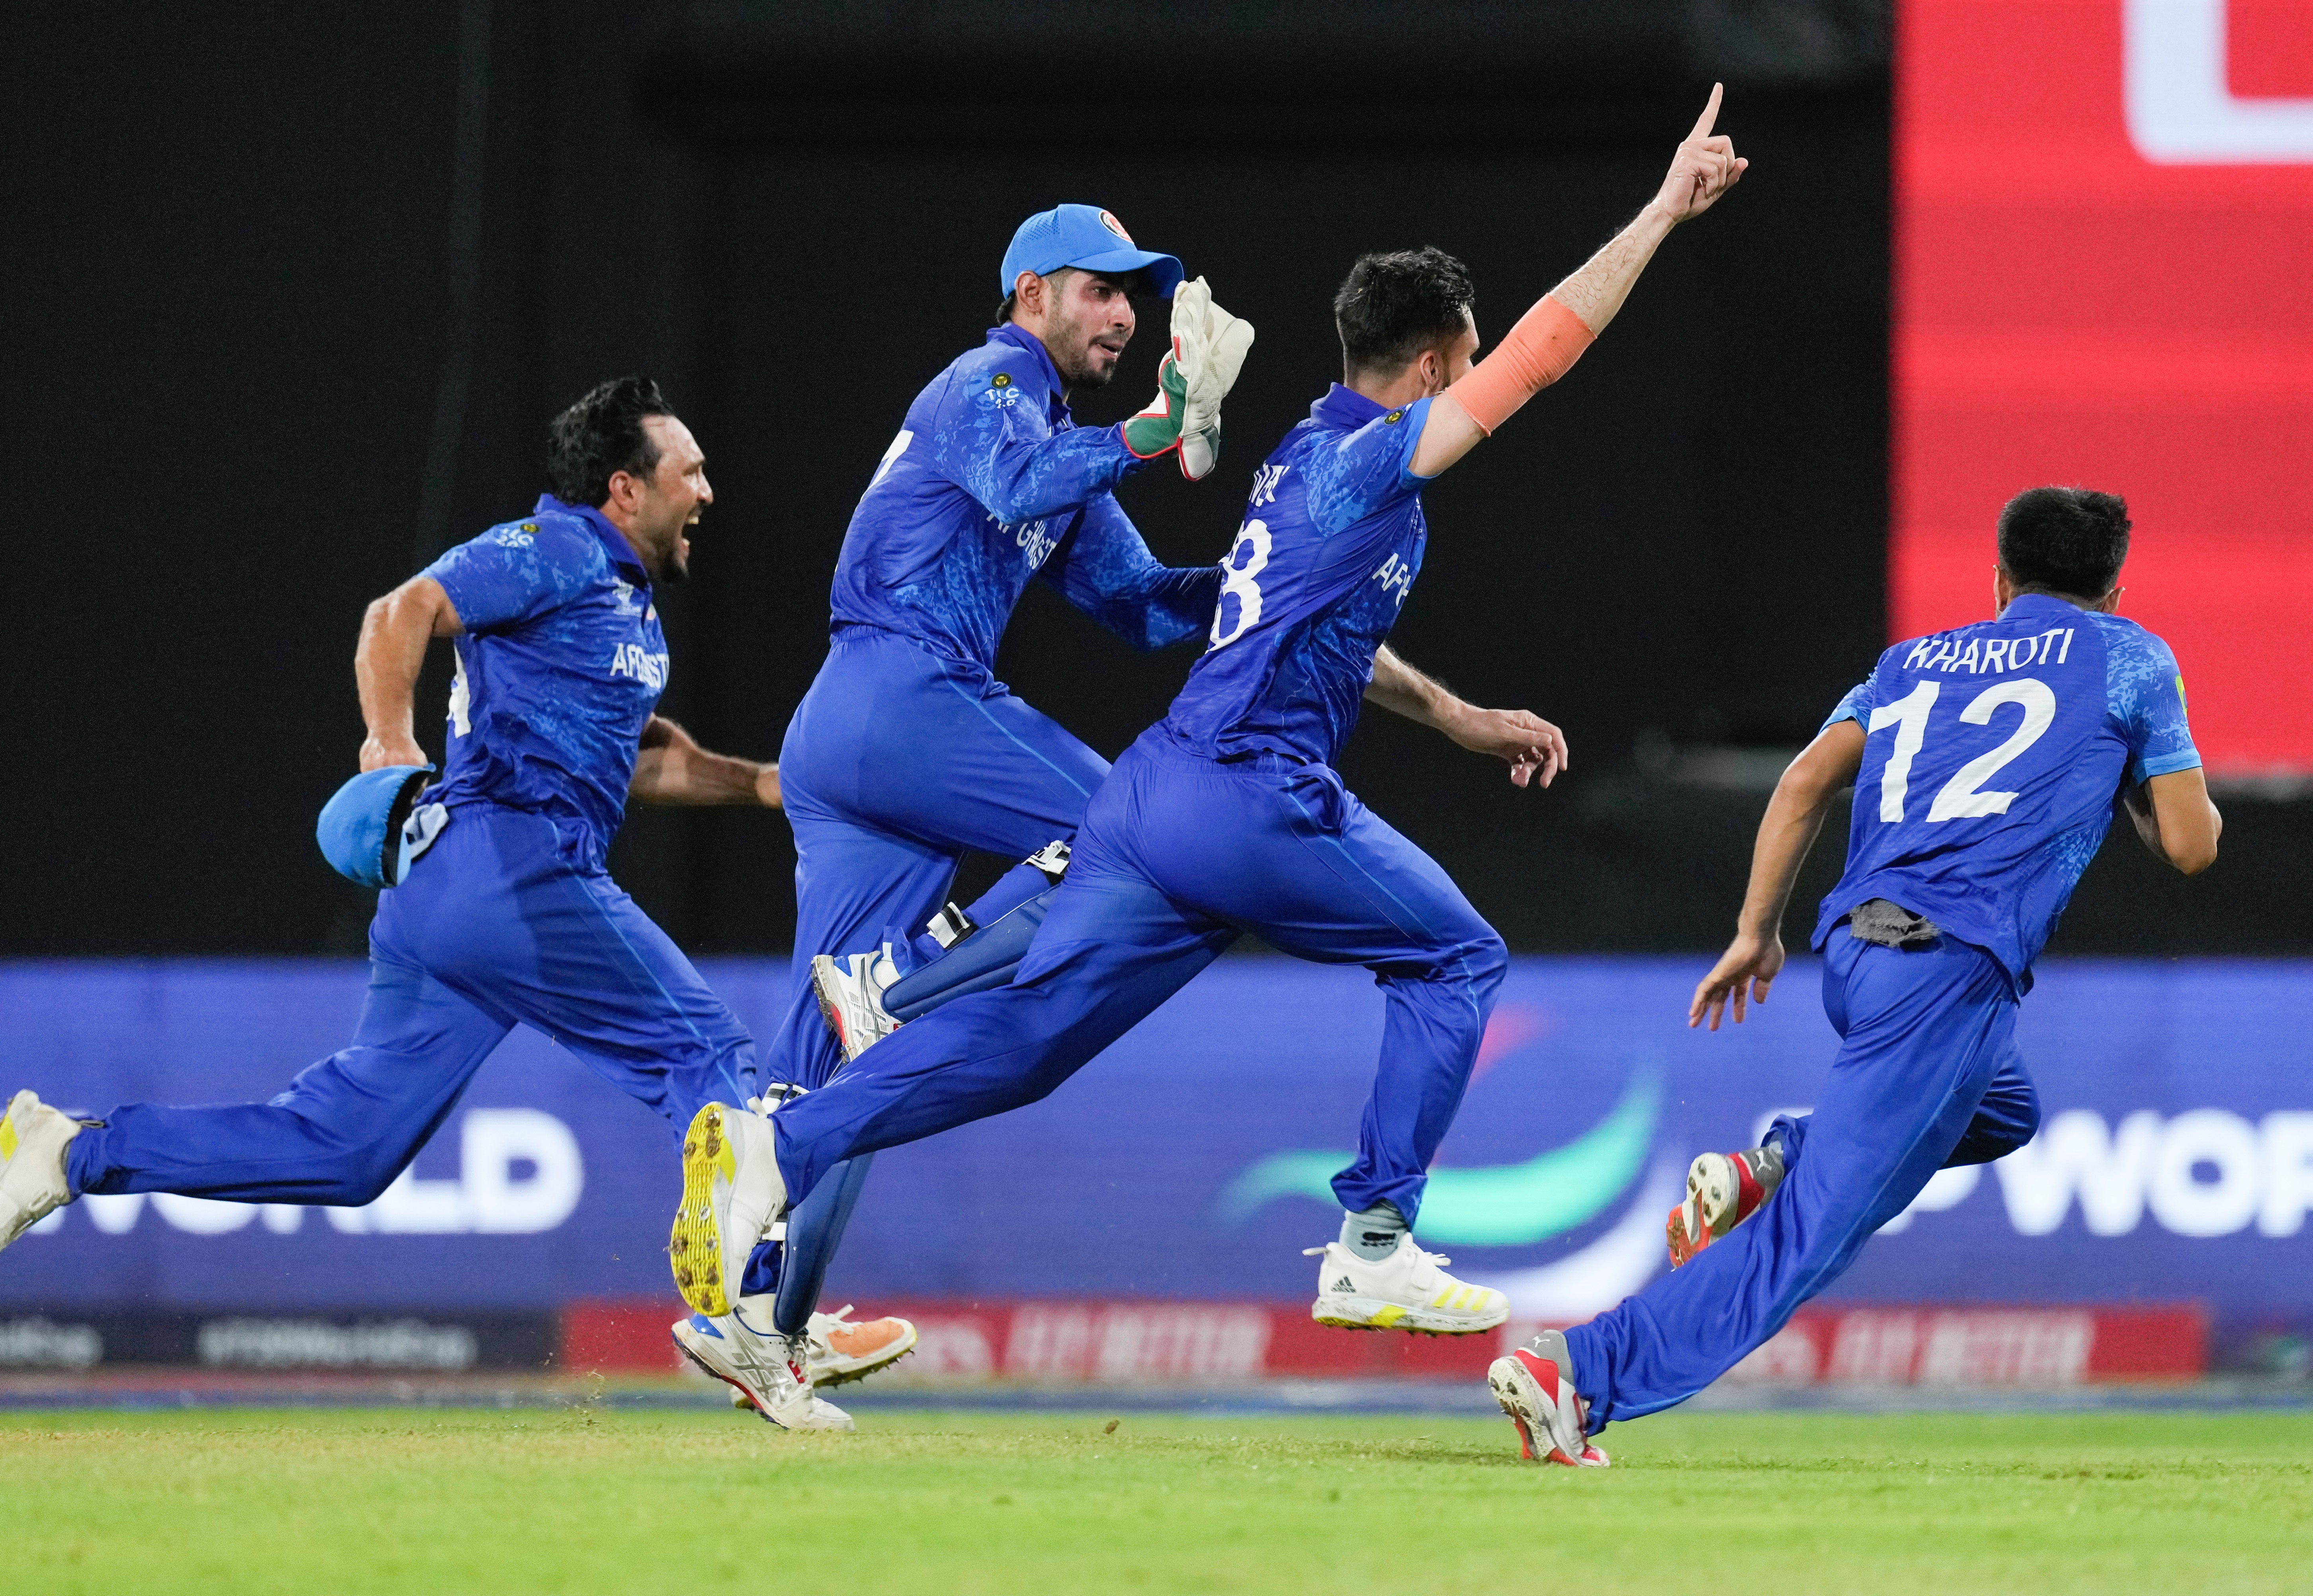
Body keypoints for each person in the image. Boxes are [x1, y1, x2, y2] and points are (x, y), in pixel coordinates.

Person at [670, 89, 1750, 1341]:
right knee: (1457, 958)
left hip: (1158, 795)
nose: (1125, 312)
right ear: (1442, 361)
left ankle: (781, 1152)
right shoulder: (1333, 451)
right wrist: (1664, 211)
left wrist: (1456, 714)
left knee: (1026, 1050)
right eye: (1101, 288)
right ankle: (1373, 1240)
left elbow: (1184, 610)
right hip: (1204, 779)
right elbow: (1548, 352)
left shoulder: (1297, 457)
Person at [0, 378, 866, 1430]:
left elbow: (643, 760)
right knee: (712, 1060)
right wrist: (389, 740)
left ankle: (68, 1151)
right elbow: (404, 611)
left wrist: (759, 786)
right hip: (509, 864)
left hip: (450, 907)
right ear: (625, 489)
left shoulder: (620, 599)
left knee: (344, 1153)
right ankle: (754, 1323)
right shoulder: (556, 548)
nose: (707, 487)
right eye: (688, 469)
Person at [1487, 485, 2222, 1466]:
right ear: (2117, 591)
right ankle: (1579, 1369)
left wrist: (1757, 931)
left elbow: (1801, 783)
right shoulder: (2132, 657)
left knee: (2005, 1111)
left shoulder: (1907, 663)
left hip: (1859, 954)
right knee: (1812, 1235)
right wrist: (2137, 769)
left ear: (1998, 581)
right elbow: (2188, 846)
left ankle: (1781, 1157)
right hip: (1948, 975)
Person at [710, 205, 1251, 1358]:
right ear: (1029, 294)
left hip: (855, 738)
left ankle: (764, 1321)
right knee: (1139, 830)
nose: (1123, 313)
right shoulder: (984, 380)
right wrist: (1158, 425)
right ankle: (904, 978)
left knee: (839, 1072)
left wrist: (1266, 572)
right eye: (1099, 289)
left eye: (1131, 295)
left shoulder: (1064, 446)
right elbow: (1016, 479)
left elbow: (1141, 606)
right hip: (896, 694)